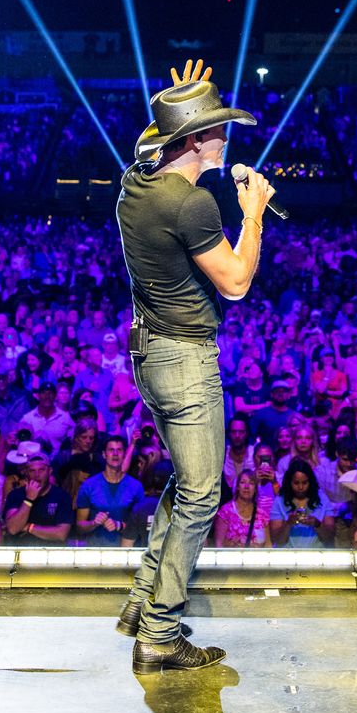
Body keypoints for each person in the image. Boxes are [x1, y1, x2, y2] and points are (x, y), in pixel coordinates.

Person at [112, 61, 269, 675]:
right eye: (218, 127)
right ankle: (159, 632)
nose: (226, 137)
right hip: (184, 360)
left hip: (149, 355)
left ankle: (140, 601)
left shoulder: (135, 183)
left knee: (186, 481)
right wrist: (253, 211)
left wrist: (179, 100)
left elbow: (147, 142)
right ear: (197, 139)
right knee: (203, 494)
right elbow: (236, 283)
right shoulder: (193, 203)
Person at [76, 435, 145, 548]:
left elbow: (142, 526)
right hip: (95, 551)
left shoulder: (135, 487)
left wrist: (120, 526)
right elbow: (79, 526)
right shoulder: (89, 485)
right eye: (111, 450)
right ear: (104, 454)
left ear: (124, 455)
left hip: (125, 552)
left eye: (119, 450)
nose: (115, 454)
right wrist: (94, 523)